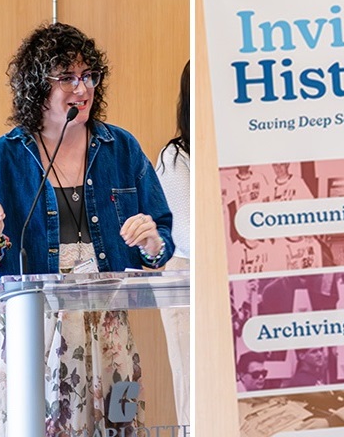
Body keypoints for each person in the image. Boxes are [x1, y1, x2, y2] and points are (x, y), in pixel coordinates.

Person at [0, 23, 174, 437]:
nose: (82, 87)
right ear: (38, 86)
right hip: (32, 333)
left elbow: (159, 244)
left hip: (110, 333)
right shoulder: (1, 160)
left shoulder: (121, 149)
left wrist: (153, 242)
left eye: (89, 75)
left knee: (120, 426)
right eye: (67, 77)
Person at [155, 60, 191, 434]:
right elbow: (189, 233)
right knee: (193, 389)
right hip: (187, 282)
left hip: (233, 283)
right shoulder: (175, 157)